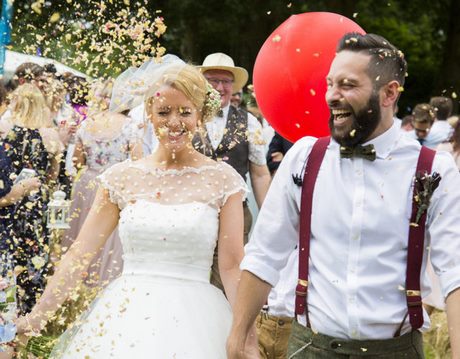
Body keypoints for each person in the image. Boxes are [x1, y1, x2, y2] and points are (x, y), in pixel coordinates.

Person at [227, 33, 460, 358]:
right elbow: (265, 253)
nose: (331, 96)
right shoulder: (305, 158)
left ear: (389, 93)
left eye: (348, 85)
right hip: (309, 348)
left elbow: (455, 274)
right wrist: (240, 336)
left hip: (397, 351)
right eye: (329, 84)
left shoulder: (434, 169)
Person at [14, 58, 256, 358]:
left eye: (185, 112)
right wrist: (36, 318)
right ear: (149, 116)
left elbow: (232, 267)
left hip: (197, 319)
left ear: (200, 116)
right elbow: (80, 254)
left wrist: (247, 337)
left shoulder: (223, 181)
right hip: (125, 315)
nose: (174, 122)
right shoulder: (121, 178)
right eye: (164, 112)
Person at [193, 52, 271, 291]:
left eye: (226, 81)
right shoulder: (186, 116)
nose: (220, 87)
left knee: (230, 282)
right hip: (191, 212)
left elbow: (259, 173)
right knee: (192, 279)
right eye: (213, 80)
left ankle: (227, 327)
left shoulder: (249, 122)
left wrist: (270, 217)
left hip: (236, 214)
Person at [62, 78, 143, 287]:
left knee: (83, 232)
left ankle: (78, 283)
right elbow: (138, 162)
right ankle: (105, 281)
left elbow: (77, 161)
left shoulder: (87, 124)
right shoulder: (130, 127)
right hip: (117, 185)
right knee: (110, 234)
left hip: (88, 183)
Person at [1, 83, 63, 315]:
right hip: (37, 202)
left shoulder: (7, 130)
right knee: (36, 250)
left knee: (10, 251)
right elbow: (54, 174)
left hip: (10, 200)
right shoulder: (50, 135)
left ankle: (8, 304)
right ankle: (30, 307)